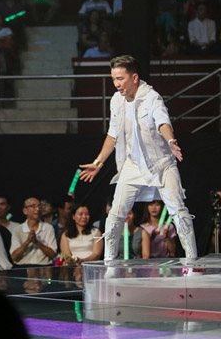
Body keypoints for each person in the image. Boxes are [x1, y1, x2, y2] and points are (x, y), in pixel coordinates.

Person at [78, 55, 198, 266]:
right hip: (132, 165)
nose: (116, 84)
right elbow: (113, 135)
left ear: (134, 78)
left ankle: (192, 260)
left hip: (161, 164)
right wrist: (98, 163)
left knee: (178, 210)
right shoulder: (116, 100)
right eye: (113, 79)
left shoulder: (152, 98)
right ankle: (109, 262)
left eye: (120, 79)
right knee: (115, 213)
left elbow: (162, 123)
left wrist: (171, 140)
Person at [10, 197, 57, 266]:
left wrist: (36, 242)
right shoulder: (17, 230)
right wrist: (27, 242)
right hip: (23, 268)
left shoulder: (48, 228)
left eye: (39, 206)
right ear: (25, 211)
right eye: (33, 206)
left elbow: (52, 254)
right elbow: (14, 257)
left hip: (43, 267)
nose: (37, 209)